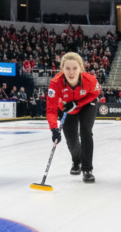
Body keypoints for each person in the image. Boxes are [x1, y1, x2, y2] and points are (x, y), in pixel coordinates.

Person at [46, 52, 101, 183]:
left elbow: (96, 93)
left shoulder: (90, 80)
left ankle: (87, 169)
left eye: (75, 68)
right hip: (66, 108)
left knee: (85, 131)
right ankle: (76, 161)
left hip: (87, 104)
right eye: (67, 68)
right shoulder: (55, 83)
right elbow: (51, 109)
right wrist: (54, 129)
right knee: (71, 139)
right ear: (62, 69)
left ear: (81, 68)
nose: (71, 72)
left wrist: (78, 103)